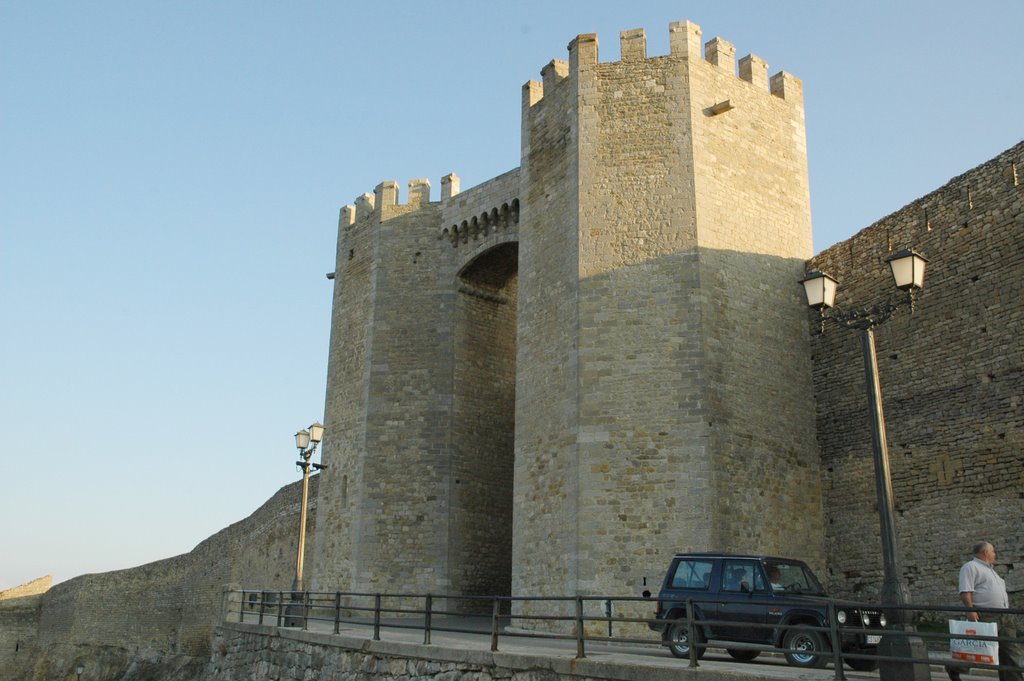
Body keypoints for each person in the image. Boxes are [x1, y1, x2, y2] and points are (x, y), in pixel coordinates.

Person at [947, 541, 1022, 681]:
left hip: (1005, 616)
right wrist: (970, 610)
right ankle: (955, 667)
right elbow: (965, 590)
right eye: (992, 551)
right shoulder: (971, 567)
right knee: (978, 649)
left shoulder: (991, 571)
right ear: (985, 553)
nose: (995, 554)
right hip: (986, 615)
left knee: (1010, 651)